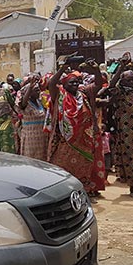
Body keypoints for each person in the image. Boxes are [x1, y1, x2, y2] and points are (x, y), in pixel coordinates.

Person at [47, 61, 106, 197]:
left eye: (76, 82)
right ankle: (64, 193)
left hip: (84, 140)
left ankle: (83, 193)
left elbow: (98, 84)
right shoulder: (59, 94)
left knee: (84, 167)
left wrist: (96, 70)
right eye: (71, 82)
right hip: (65, 141)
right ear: (64, 84)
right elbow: (51, 84)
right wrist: (62, 68)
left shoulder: (83, 93)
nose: (74, 85)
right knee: (64, 166)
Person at [16, 76, 48, 161]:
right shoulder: (26, 105)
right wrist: (30, 87)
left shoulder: (40, 102)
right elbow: (22, 104)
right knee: (31, 160)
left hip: (41, 137)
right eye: (36, 90)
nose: (39, 92)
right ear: (29, 93)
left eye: (38, 90)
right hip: (31, 137)